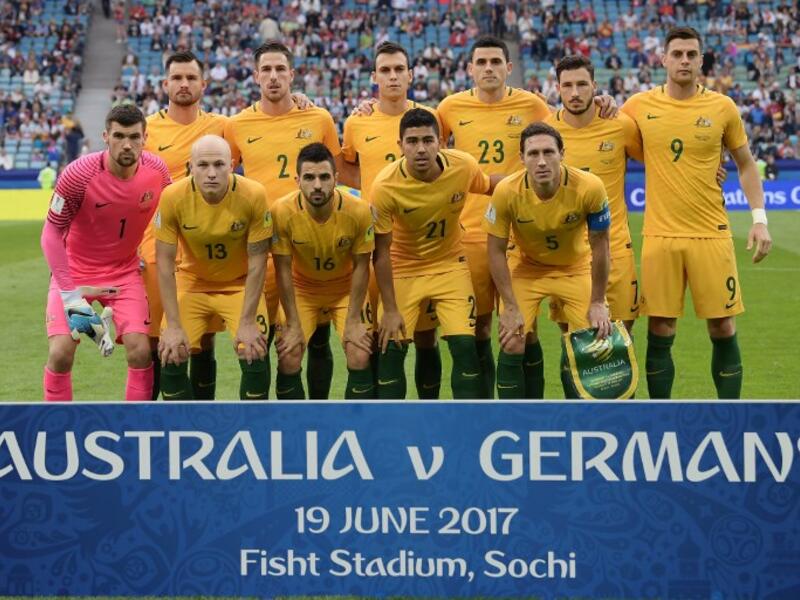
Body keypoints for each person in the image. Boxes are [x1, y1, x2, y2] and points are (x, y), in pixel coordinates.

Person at [437, 35, 617, 398]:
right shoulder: (448, 108)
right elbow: (428, 152)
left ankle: (548, 408)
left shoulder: (534, 105)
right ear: (470, 68)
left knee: (526, 330)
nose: (488, 68)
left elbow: (561, 121)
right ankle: (486, 409)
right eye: (481, 62)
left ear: (509, 67)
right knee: (483, 327)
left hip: (523, 237)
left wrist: (600, 102)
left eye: (495, 62)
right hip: (471, 232)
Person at [620, 27, 772, 399]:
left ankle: (730, 415)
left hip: (711, 233)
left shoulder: (722, 107)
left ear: (701, 60)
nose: (684, 60)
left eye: (691, 54)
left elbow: (746, 164)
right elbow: (617, 143)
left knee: (722, 326)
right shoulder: (638, 106)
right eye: (677, 54)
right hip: (660, 236)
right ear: (663, 60)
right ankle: (660, 415)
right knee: (660, 327)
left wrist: (759, 219)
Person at [225, 40, 353, 399]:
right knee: (260, 340)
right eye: (266, 69)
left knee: (316, 338)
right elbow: (223, 178)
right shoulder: (237, 124)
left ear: (293, 75)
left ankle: (316, 414)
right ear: (255, 76)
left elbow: (336, 172)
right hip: (262, 248)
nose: (274, 76)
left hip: (311, 242)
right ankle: (265, 419)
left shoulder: (318, 118)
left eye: (281, 69)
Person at [41, 105, 171, 401]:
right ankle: (56, 430)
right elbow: (50, 233)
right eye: (119, 136)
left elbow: (171, 216)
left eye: (134, 137)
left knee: (140, 350)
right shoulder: (77, 174)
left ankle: (136, 431)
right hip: (74, 274)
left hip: (124, 273)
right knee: (60, 353)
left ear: (145, 138)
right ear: (105, 136)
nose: (127, 144)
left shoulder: (157, 172)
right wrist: (70, 295)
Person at [372, 108, 502, 399]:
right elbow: (380, 253)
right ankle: (393, 430)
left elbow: (490, 184)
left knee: (465, 347)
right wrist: (390, 310)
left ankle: (468, 427)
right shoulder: (384, 186)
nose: (421, 149)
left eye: (428, 140)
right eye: (412, 141)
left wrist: (533, 178)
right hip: (404, 268)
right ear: (400, 145)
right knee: (390, 348)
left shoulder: (463, 166)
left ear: (441, 142)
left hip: (450, 265)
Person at [341, 41, 444, 399]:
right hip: (373, 247)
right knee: (373, 333)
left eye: (399, 69)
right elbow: (346, 166)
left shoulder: (430, 117)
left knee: (426, 335)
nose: (393, 76)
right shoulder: (358, 122)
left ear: (411, 75)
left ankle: (425, 414)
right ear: (373, 77)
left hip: (422, 247)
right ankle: (374, 417)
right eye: (385, 70)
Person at [484, 123, 612, 399]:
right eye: (533, 154)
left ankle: (579, 418)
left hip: (574, 268)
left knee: (589, 342)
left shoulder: (590, 187)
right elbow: (494, 251)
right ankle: (518, 418)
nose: (541, 161)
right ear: (522, 158)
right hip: (527, 269)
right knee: (512, 339)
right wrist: (508, 306)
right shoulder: (506, 191)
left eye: (548, 152)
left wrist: (599, 301)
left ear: (562, 153)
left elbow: (601, 246)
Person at [154, 135, 272, 399]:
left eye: (219, 165)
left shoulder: (253, 194)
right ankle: (189, 431)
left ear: (231, 165)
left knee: (253, 349)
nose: (211, 173)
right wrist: (173, 325)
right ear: (190, 166)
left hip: (239, 284)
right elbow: (164, 264)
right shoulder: (173, 197)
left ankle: (252, 429)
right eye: (203, 165)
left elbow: (258, 261)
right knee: (171, 354)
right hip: (192, 283)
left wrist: (248, 321)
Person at [140, 51, 229, 400]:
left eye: (191, 78)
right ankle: (151, 423)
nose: (184, 84)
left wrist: (299, 100)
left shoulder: (222, 127)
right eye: (177, 78)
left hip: (201, 252)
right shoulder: (146, 130)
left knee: (202, 339)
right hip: (152, 248)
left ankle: (201, 419)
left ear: (203, 85)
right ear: (165, 84)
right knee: (152, 340)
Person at [271, 143, 374, 399]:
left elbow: (363, 265)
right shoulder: (281, 211)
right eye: (309, 177)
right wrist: (292, 323)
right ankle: (295, 428)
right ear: (297, 180)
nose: (317, 185)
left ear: (336, 179)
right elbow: (282, 269)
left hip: (345, 290)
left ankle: (357, 426)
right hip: (302, 290)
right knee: (289, 356)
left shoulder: (359, 210)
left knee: (360, 353)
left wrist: (352, 321)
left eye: (324, 177)